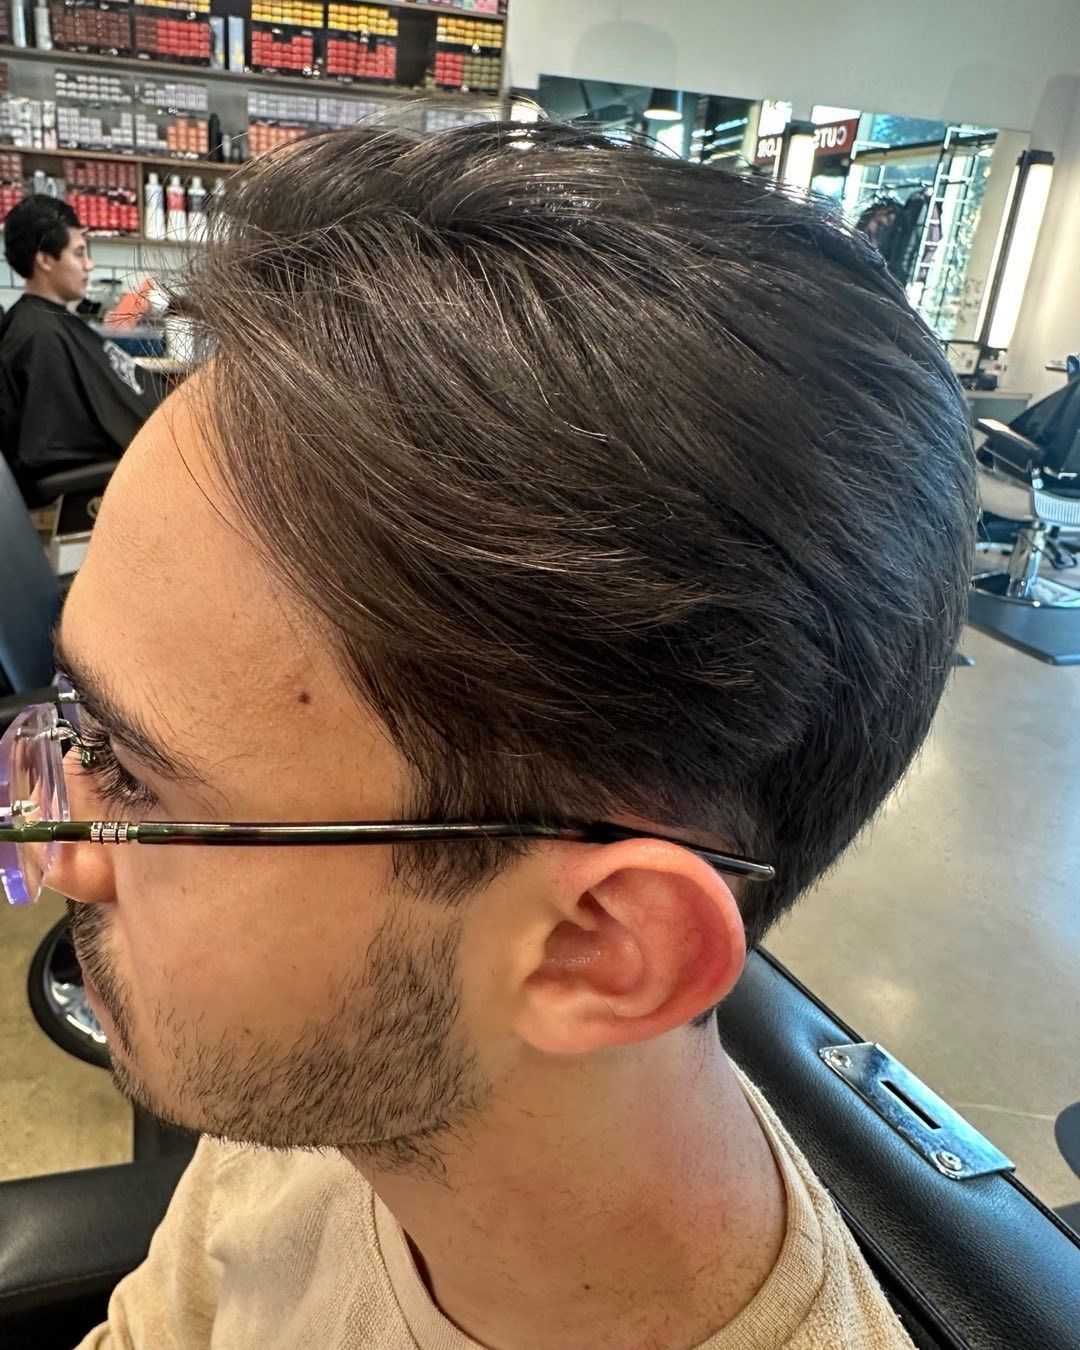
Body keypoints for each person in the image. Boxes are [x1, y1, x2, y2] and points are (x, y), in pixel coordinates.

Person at [43, 122, 973, 1348]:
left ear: (596, 947)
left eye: (134, 775)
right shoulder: (324, 1106)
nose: (63, 847)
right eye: (82, 738)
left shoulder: (322, 1046)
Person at [0, 195, 160, 497]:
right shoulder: (37, 335)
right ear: (45, 259)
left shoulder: (48, 322)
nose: (89, 264)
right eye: (79, 253)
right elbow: (51, 447)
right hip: (121, 471)